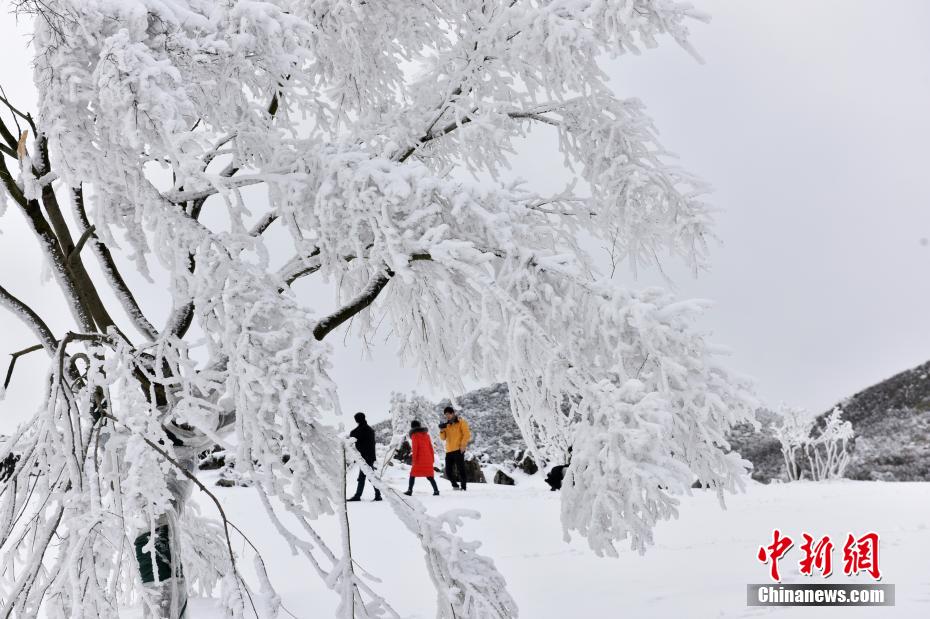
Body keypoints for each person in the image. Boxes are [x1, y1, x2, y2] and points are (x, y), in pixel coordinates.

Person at [348, 412, 381, 501]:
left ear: (357, 420)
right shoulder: (368, 429)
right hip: (368, 456)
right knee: (366, 476)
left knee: (369, 476)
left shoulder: (362, 429)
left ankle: (360, 496)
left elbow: (353, 436)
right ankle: (375, 495)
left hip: (366, 457)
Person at [439, 406, 471, 491]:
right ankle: (455, 485)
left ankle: (463, 487)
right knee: (448, 471)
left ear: (453, 413)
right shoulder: (446, 425)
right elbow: (443, 438)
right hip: (449, 451)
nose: (447, 416)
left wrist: (463, 445)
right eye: (446, 415)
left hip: (458, 449)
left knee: (461, 469)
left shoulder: (461, 422)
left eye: (448, 414)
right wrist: (442, 430)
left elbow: (467, 434)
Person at [404, 420, 439, 496]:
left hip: (419, 459)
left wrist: (414, 460)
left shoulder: (414, 435)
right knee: (430, 476)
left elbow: (415, 449)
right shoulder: (426, 435)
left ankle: (410, 490)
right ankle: (436, 490)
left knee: (412, 475)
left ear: (412, 427)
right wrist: (432, 459)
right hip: (428, 458)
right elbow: (430, 447)